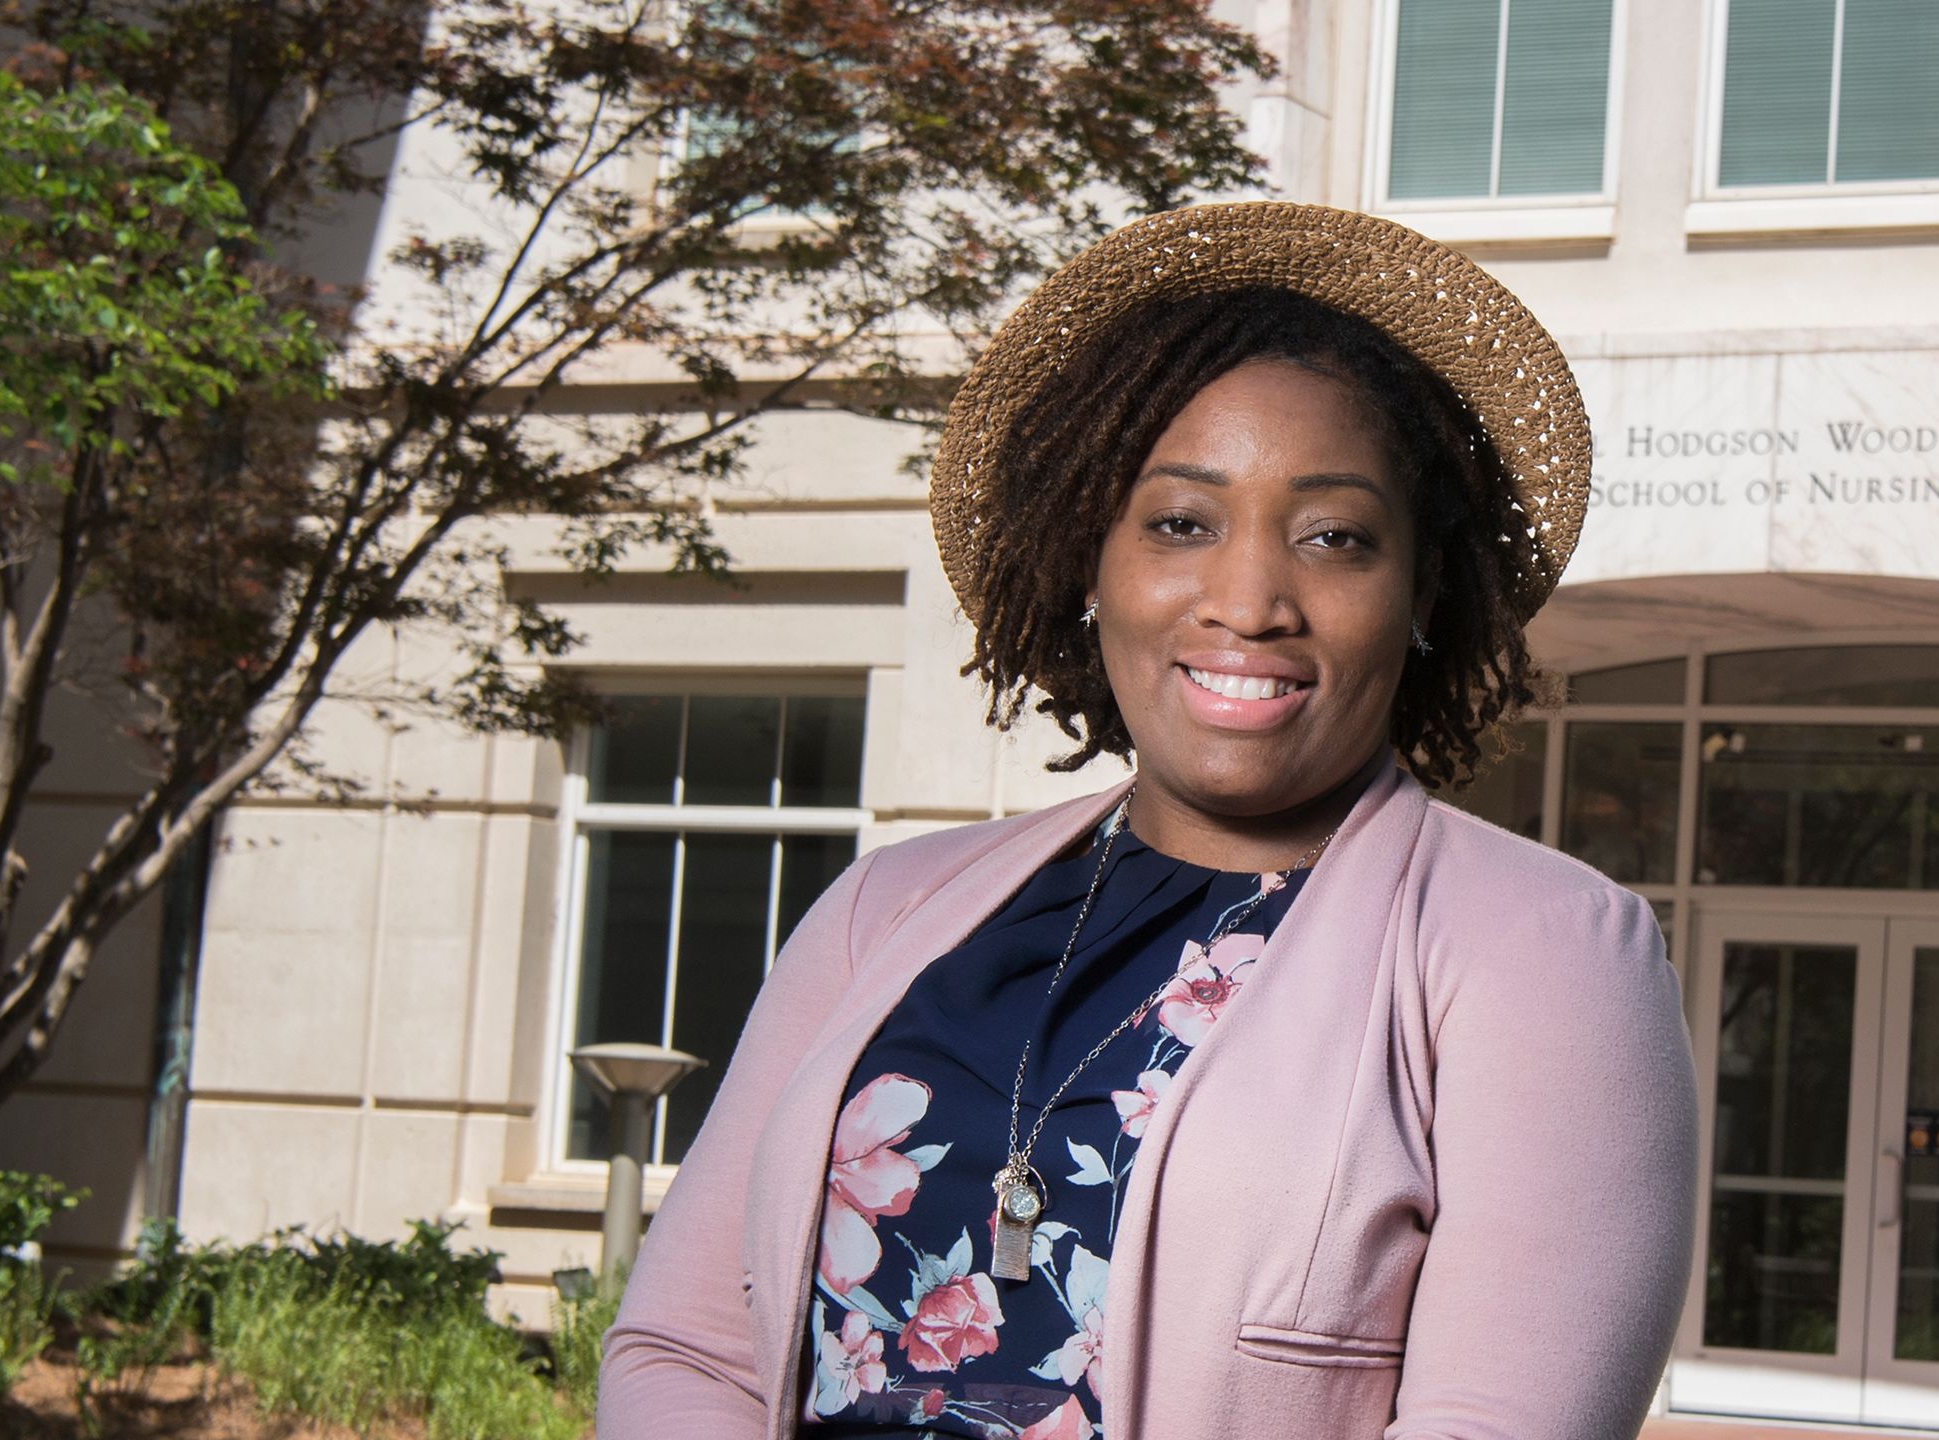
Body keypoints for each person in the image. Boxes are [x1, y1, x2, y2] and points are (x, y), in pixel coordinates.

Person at [597, 202, 1697, 1440]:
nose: (1248, 600)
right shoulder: (879, 912)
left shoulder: (1543, 954)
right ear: (1091, 562)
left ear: (1419, 590)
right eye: (1181, 523)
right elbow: (683, 1350)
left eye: (1335, 538)